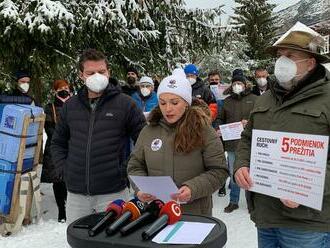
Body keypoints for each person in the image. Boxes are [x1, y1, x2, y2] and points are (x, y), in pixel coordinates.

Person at [234, 22, 330, 247]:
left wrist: (308, 188)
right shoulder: (265, 98)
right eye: (279, 55)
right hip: (266, 215)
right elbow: (248, 138)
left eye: (289, 55)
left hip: (308, 224)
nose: (281, 61)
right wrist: (241, 164)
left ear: (310, 63)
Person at [51, 49, 146, 224]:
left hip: (113, 193)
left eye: (101, 72)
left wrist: (125, 169)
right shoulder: (70, 106)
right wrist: (65, 169)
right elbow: (58, 142)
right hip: (76, 195)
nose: (97, 76)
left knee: (113, 241)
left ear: (108, 72)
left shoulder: (126, 104)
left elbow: (144, 141)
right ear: (81, 75)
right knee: (78, 240)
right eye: (90, 72)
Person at [127, 69, 229, 216]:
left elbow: (219, 171)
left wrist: (193, 188)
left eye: (174, 102)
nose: (168, 109)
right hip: (156, 213)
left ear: (187, 102)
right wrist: (140, 188)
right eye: (162, 103)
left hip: (194, 214)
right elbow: (135, 165)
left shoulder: (204, 131)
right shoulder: (148, 131)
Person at [220, 69, 257, 213]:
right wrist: (218, 128)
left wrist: (251, 122)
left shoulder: (254, 99)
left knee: (250, 173)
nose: (237, 85)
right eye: (235, 83)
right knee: (233, 172)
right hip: (232, 143)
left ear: (245, 84)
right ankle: (233, 201)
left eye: (239, 83)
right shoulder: (226, 101)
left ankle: (251, 203)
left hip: (250, 143)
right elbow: (219, 119)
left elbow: (262, 119)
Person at [41, 79, 72, 222]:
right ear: (55, 91)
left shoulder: (76, 105)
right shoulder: (50, 107)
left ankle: (71, 205)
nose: (64, 90)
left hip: (73, 147)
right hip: (56, 148)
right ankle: (62, 210)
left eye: (66, 87)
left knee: (70, 178)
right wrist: (62, 137)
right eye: (61, 88)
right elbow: (49, 128)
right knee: (58, 179)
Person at [208, 70, 228, 197]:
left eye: (216, 79)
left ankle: (222, 185)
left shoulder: (225, 91)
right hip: (208, 128)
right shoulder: (205, 91)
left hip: (222, 129)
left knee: (221, 158)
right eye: (212, 79)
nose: (214, 81)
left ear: (220, 79)